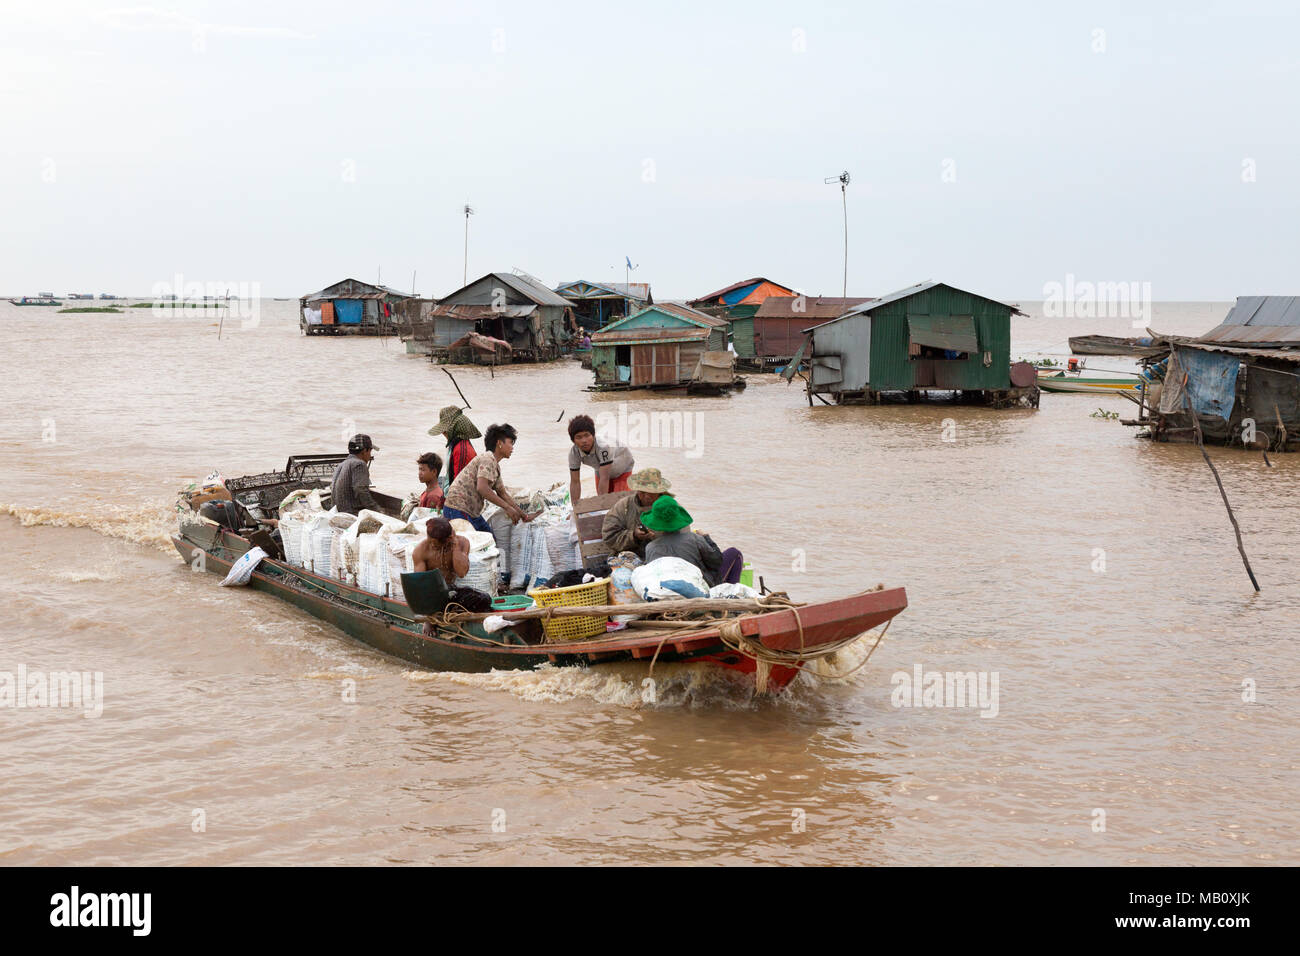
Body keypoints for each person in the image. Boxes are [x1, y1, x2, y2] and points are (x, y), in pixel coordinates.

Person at [442, 423, 537, 532]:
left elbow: (502, 494)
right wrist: (507, 508)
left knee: (489, 538)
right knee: (472, 544)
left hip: (471, 511)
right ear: (499, 443)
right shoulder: (488, 458)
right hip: (457, 508)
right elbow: (482, 488)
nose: (512, 448)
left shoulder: (495, 465)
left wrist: (523, 515)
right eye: (511, 442)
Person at [641, 496, 743, 587]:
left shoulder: (650, 548)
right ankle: (731, 597)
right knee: (734, 553)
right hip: (702, 587)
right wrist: (706, 538)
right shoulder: (694, 539)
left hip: (667, 588)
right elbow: (716, 562)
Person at [411, 517, 492, 614]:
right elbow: (421, 584)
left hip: (451, 591)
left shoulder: (462, 542)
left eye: (435, 544)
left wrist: (456, 545)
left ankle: (454, 612)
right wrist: (428, 617)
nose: (431, 545)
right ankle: (435, 616)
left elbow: (461, 573)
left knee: (485, 599)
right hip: (432, 593)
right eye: (430, 541)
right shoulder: (421, 550)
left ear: (448, 539)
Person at [600, 467, 671, 560]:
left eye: (651, 492)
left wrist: (656, 535)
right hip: (629, 558)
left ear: (659, 491)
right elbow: (609, 537)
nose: (646, 496)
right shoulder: (624, 506)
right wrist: (633, 536)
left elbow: (679, 537)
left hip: (662, 558)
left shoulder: (670, 507)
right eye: (642, 492)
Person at [567, 413, 634, 503]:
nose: (584, 441)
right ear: (573, 440)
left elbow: (605, 478)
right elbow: (575, 482)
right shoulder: (574, 453)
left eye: (587, 435)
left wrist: (601, 506)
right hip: (601, 469)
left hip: (622, 466)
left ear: (593, 435)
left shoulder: (603, 447)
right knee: (603, 500)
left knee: (619, 503)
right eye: (578, 437)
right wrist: (575, 508)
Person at [427, 405, 481, 488]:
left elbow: (459, 486)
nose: (443, 432)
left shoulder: (461, 450)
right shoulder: (455, 444)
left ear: (455, 428)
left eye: (445, 429)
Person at [331, 434, 380, 516]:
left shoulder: (342, 464)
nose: (370, 456)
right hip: (351, 514)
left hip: (337, 513)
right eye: (370, 452)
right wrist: (377, 510)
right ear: (364, 451)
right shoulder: (359, 464)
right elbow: (361, 490)